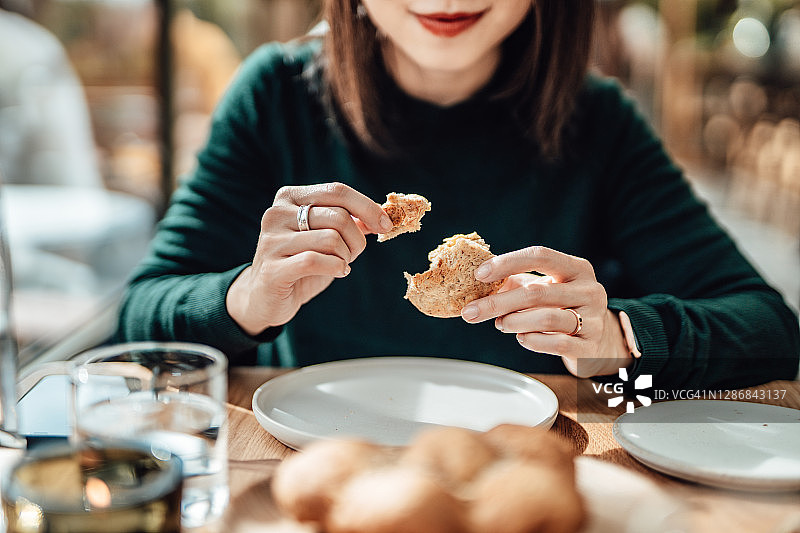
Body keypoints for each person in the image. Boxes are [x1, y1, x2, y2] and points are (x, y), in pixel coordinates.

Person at [115, 0, 799, 390]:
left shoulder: (599, 121)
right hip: (311, 464)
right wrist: (245, 299)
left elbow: (769, 328)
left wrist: (622, 339)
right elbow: (138, 320)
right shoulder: (275, 96)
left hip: (532, 466)